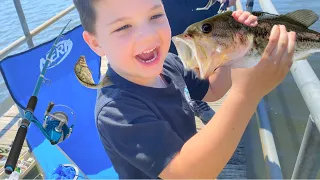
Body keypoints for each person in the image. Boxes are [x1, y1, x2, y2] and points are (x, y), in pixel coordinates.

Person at [73, 0, 296, 179]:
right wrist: (246, 94)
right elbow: (188, 173)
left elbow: (212, 90)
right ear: (96, 44)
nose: (148, 35)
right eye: (123, 27)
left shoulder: (169, 63)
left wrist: (234, 52)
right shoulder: (116, 111)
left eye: (155, 16)